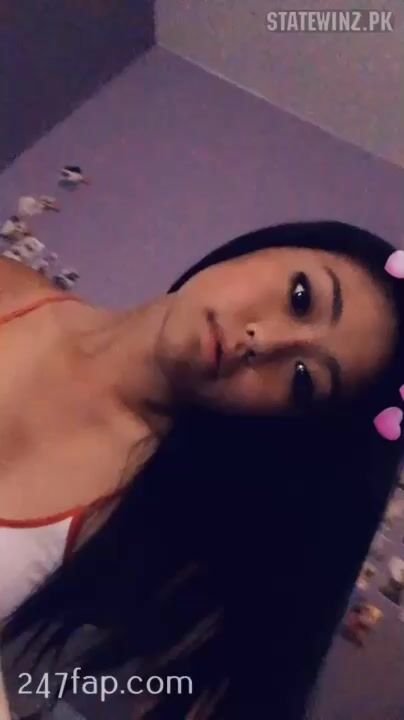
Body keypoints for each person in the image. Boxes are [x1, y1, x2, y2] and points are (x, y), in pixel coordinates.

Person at [1, 220, 404, 720]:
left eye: (303, 379)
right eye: (300, 297)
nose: (265, 341)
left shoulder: (133, 533)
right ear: (274, 245)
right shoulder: (10, 286)